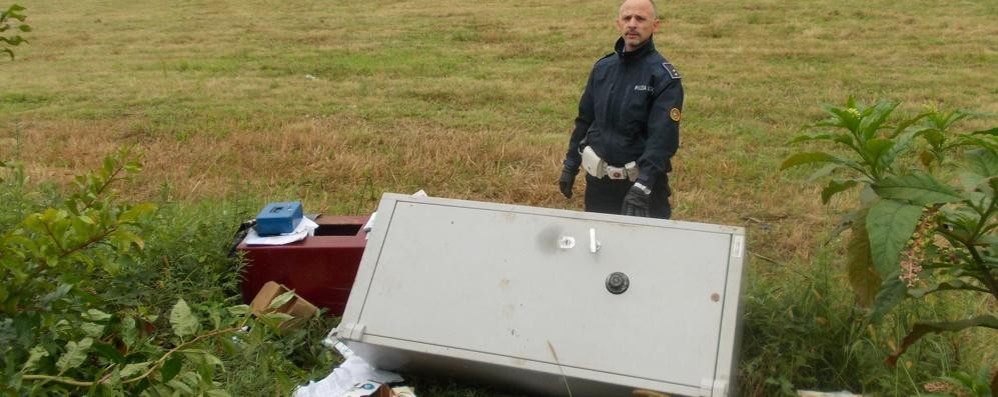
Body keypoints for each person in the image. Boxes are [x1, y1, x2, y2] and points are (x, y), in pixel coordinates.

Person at [559, 0, 683, 219]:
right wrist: (570, 164)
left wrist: (643, 185)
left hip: (643, 190)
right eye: (627, 18)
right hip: (599, 186)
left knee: (645, 250)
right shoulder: (602, 68)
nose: (632, 24)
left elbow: (662, 139)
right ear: (618, 24)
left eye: (640, 18)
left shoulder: (663, 77)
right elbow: (585, 120)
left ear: (655, 25)